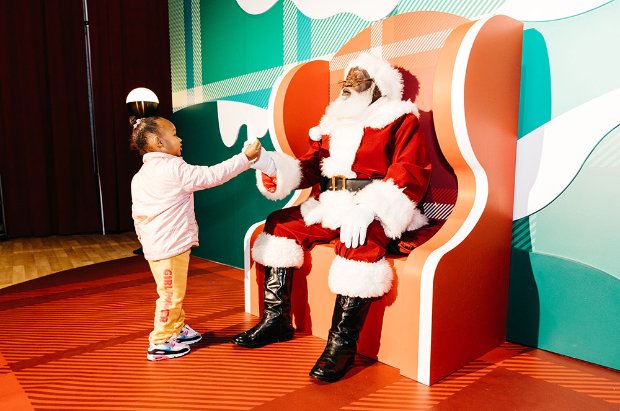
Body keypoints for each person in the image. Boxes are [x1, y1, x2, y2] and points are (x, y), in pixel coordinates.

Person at [231, 53, 431, 382]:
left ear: (378, 88)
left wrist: (371, 208)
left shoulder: (399, 118)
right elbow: (311, 166)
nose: (349, 87)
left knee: (360, 243)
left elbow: (409, 171)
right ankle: (276, 319)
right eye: (346, 82)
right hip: (331, 203)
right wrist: (269, 165)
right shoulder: (332, 124)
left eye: (359, 81)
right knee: (279, 224)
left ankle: (341, 345)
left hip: (375, 204)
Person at [130, 116, 274, 360]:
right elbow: (212, 176)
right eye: (174, 133)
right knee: (169, 294)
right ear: (158, 142)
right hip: (168, 247)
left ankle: (176, 328)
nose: (180, 138)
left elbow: (138, 213)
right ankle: (161, 341)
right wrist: (245, 158)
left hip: (158, 245)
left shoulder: (142, 175)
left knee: (173, 290)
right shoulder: (173, 169)